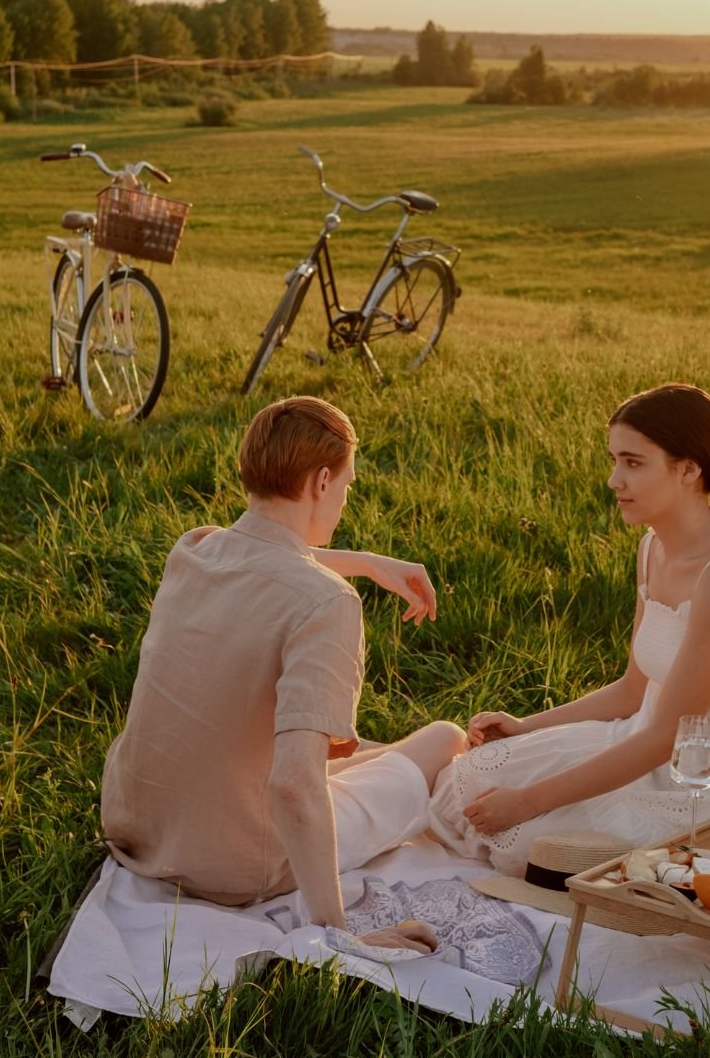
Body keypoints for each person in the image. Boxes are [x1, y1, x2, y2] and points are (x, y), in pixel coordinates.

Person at [101, 396, 465, 951]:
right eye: (347, 486)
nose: (343, 499)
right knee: (443, 740)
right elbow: (295, 785)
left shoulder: (195, 547)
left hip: (138, 826)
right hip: (236, 863)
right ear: (321, 482)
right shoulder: (326, 604)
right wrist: (339, 936)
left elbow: (265, 556)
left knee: (360, 750)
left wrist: (366, 561)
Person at [428, 383, 710, 875]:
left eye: (633, 463)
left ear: (689, 470)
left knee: (530, 837)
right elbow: (634, 691)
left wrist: (527, 801)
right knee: (467, 780)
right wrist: (528, 726)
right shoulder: (653, 549)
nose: (614, 479)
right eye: (614, 460)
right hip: (655, 737)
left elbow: (667, 738)